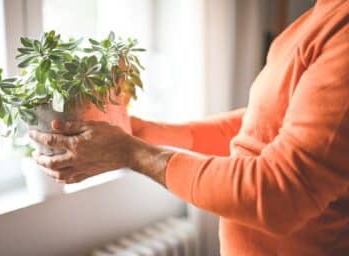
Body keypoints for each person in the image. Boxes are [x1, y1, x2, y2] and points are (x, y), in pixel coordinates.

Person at [30, 0, 349, 255]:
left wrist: (133, 154)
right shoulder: (317, 17)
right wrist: (141, 132)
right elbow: (263, 124)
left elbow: (281, 194)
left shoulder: (343, 31)